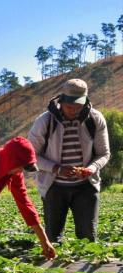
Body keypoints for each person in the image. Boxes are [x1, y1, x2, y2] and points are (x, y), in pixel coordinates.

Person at [27, 78, 110, 243]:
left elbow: (104, 153)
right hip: (54, 187)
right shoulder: (45, 121)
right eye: (69, 106)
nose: (73, 110)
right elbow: (31, 155)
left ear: (85, 101)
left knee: (88, 237)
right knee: (53, 237)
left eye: (78, 106)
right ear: (61, 101)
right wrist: (56, 168)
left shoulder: (95, 119)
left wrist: (91, 169)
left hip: (86, 187)